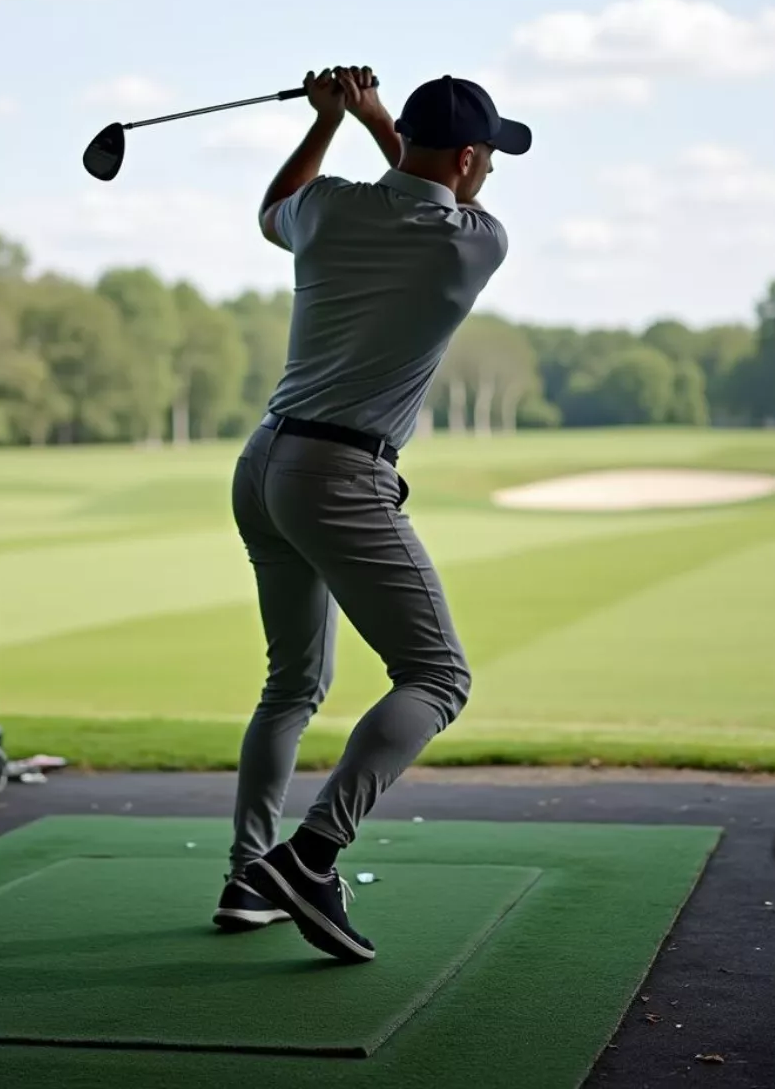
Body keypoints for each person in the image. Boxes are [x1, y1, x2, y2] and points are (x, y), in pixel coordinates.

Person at [210, 67, 532, 961]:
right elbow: (421, 178)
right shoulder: (475, 241)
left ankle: (248, 871)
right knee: (437, 677)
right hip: (340, 475)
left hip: (264, 460)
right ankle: (309, 857)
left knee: (291, 683)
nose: (492, 177)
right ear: (470, 160)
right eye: (490, 160)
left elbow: (276, 204)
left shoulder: (330, 209)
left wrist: (330, 120)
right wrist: (372, 116)